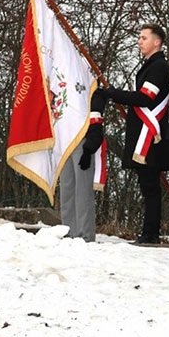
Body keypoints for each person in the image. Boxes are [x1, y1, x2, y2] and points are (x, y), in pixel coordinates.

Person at [96, 24, 169, 244]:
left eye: (144, 37)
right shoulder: (150, 66)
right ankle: (148, 232)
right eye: (139, 37)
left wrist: (114, 94)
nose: (139, 41)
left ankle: (151, 234)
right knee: (146, 185)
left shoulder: (159, 67)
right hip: (144, 134)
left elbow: (145, 98)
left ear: (157, 42)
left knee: (150, 187)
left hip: (151, 137)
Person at [60, 90, 106, 242]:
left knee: (82, 191)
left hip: (82, 140)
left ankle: (84, 235)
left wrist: (89, 147)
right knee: (66, 189)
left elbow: (96, 118)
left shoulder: (90, 86)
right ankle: (68, 232)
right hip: (64, 139)